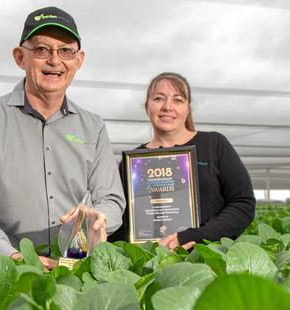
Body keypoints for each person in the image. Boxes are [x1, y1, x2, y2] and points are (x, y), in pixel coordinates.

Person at [0, 7, 125, 268]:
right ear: (20, 57)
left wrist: (94, 222)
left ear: (78, 60)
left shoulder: (93, 127)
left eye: (66, 51)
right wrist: (11, 257)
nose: (54, 61)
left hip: (73, 266)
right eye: (42, 50)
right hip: (7, 269)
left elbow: (111, 199)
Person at [108, 72, 256, 250]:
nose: (167, 107)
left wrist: (192, 237)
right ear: (147, 107)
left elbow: (242, 204)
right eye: (158, 98)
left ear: (188, 108)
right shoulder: (132, 162)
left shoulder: (214, 145)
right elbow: (120, 220)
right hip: (150, 262)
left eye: (177, 100)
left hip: (208, 257)